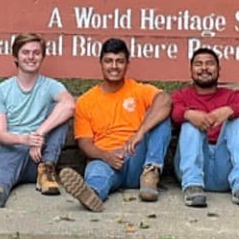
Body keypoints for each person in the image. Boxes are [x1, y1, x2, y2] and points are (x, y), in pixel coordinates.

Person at [58, 38, 172, 212]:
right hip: (106, 159)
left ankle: (151, 173)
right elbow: (85, 143)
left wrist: (140, 133)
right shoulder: (86, 101)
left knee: (161, 117)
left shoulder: (138, 90)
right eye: (109, 61)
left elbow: (165, 100)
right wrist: (106, 156)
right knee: (97, 172)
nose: (114, 66)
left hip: (136, 157)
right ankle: (92, 194)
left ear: (127, 64)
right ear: (101, 63)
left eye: (120, 61)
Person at [0, 34, 76, 208]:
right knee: (0, 182)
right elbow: (0, 134)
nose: (31, 57)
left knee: (59, 111)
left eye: (36, 53)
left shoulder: (51, 86)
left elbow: (70, 105)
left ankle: (47, 172)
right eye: (25, 52)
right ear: (15, 57)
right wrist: (25, 139)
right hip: (11, 151)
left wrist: (38, 134)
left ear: (42, 57)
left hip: (40, 155)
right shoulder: (0, 91)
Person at [170, 48, 239, 211]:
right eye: (198, 64)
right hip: (194, 165)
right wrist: (190, 114)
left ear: (219, 70)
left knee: (237, 120)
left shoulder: (232, 95)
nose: (204, 68)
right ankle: (192, 187)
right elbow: (173, 112)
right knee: (189, 122)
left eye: (210, 64)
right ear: (191, 71)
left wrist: (228, 111)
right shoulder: (181, 95)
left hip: (224, 167)